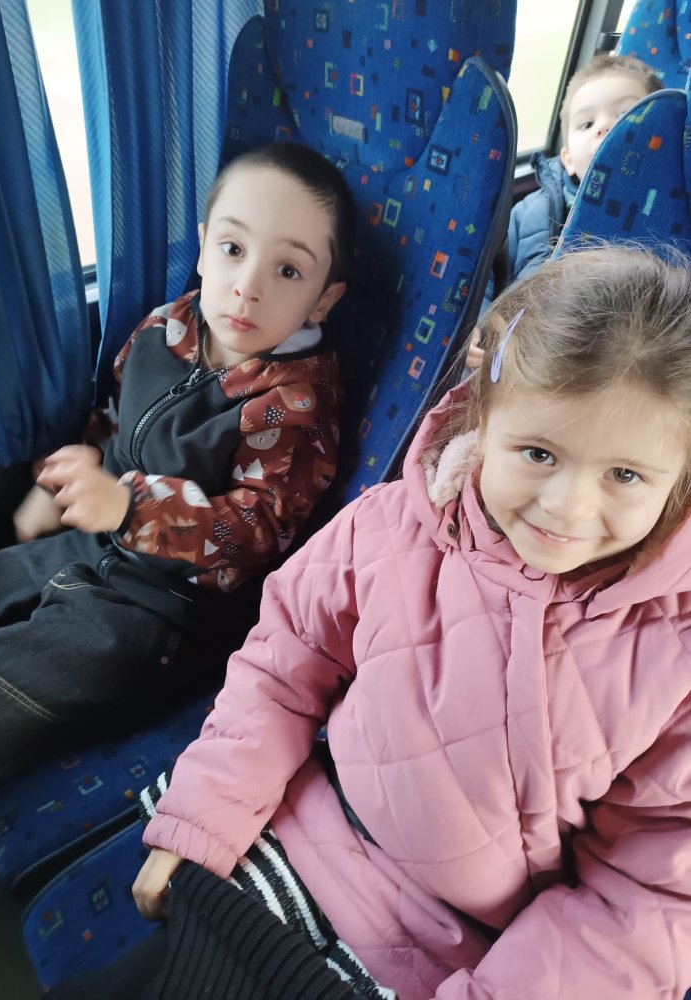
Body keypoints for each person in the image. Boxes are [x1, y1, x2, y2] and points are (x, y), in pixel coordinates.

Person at [52, 244, 691, 999]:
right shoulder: (392, 527)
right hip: (292, 832)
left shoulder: (674, 659)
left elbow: (650, 898)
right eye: (538, 453)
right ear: (483, 419)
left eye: (625, 475)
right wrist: (210, 812)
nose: (569, 506)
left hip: (452, 952)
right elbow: (282, 668)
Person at [0, 141, 355, 814]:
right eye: (232, 249)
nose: (248, 285)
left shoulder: (296, 404)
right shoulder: (168, 328)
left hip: (162, 617)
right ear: (204, 249)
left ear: (323, 299)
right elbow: (114, 417)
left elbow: (255, 531)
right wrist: (62, 485)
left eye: (287, 270)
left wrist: (131, 508)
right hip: (90, 544)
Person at [465, 53, 662, 370]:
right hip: (523, 360)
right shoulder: (532, 211)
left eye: (626, 116)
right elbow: (484, 270)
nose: (604, 127)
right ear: (568, 159)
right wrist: (476, 324)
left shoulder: (671, 217)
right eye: (587, 123)